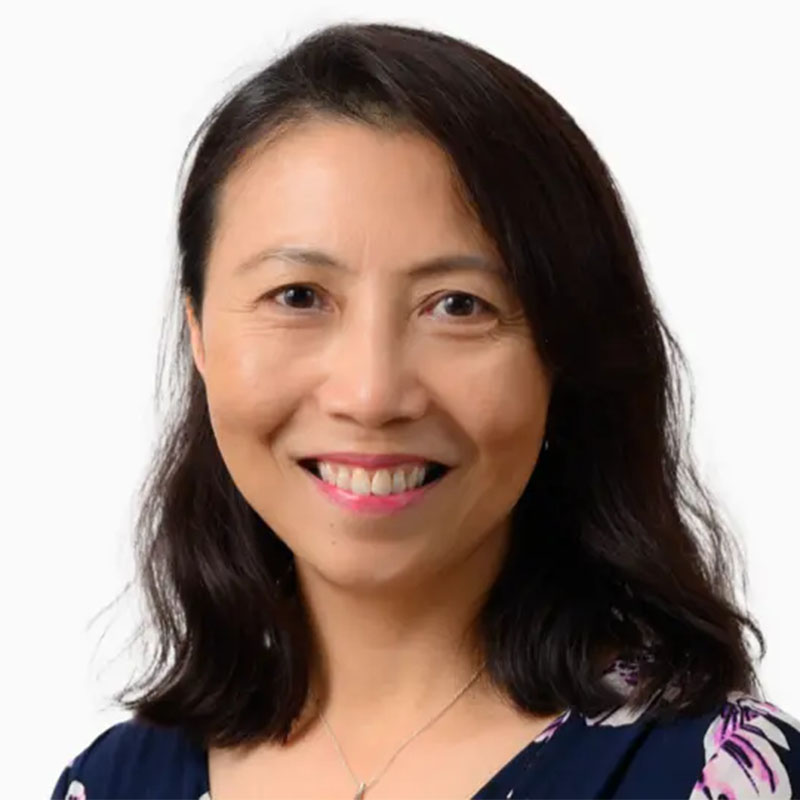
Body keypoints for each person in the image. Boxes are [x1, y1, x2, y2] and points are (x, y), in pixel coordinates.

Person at [50, 20, 800, 800]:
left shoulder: (713, 775)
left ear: (564, 353)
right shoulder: (112, 784)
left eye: (459, 305)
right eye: (298, 296)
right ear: (199, 333)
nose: (371, 395)